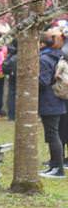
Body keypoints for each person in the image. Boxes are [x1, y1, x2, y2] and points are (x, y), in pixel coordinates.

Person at [39, 32, 67, 179]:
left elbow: (43, 81)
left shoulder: (44, 59)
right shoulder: (58, 55)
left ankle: (58, 168)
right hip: (58, 100)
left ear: (42, 44)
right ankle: (54, 165)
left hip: (49, 101)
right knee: (55, 134)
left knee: (52, 135)